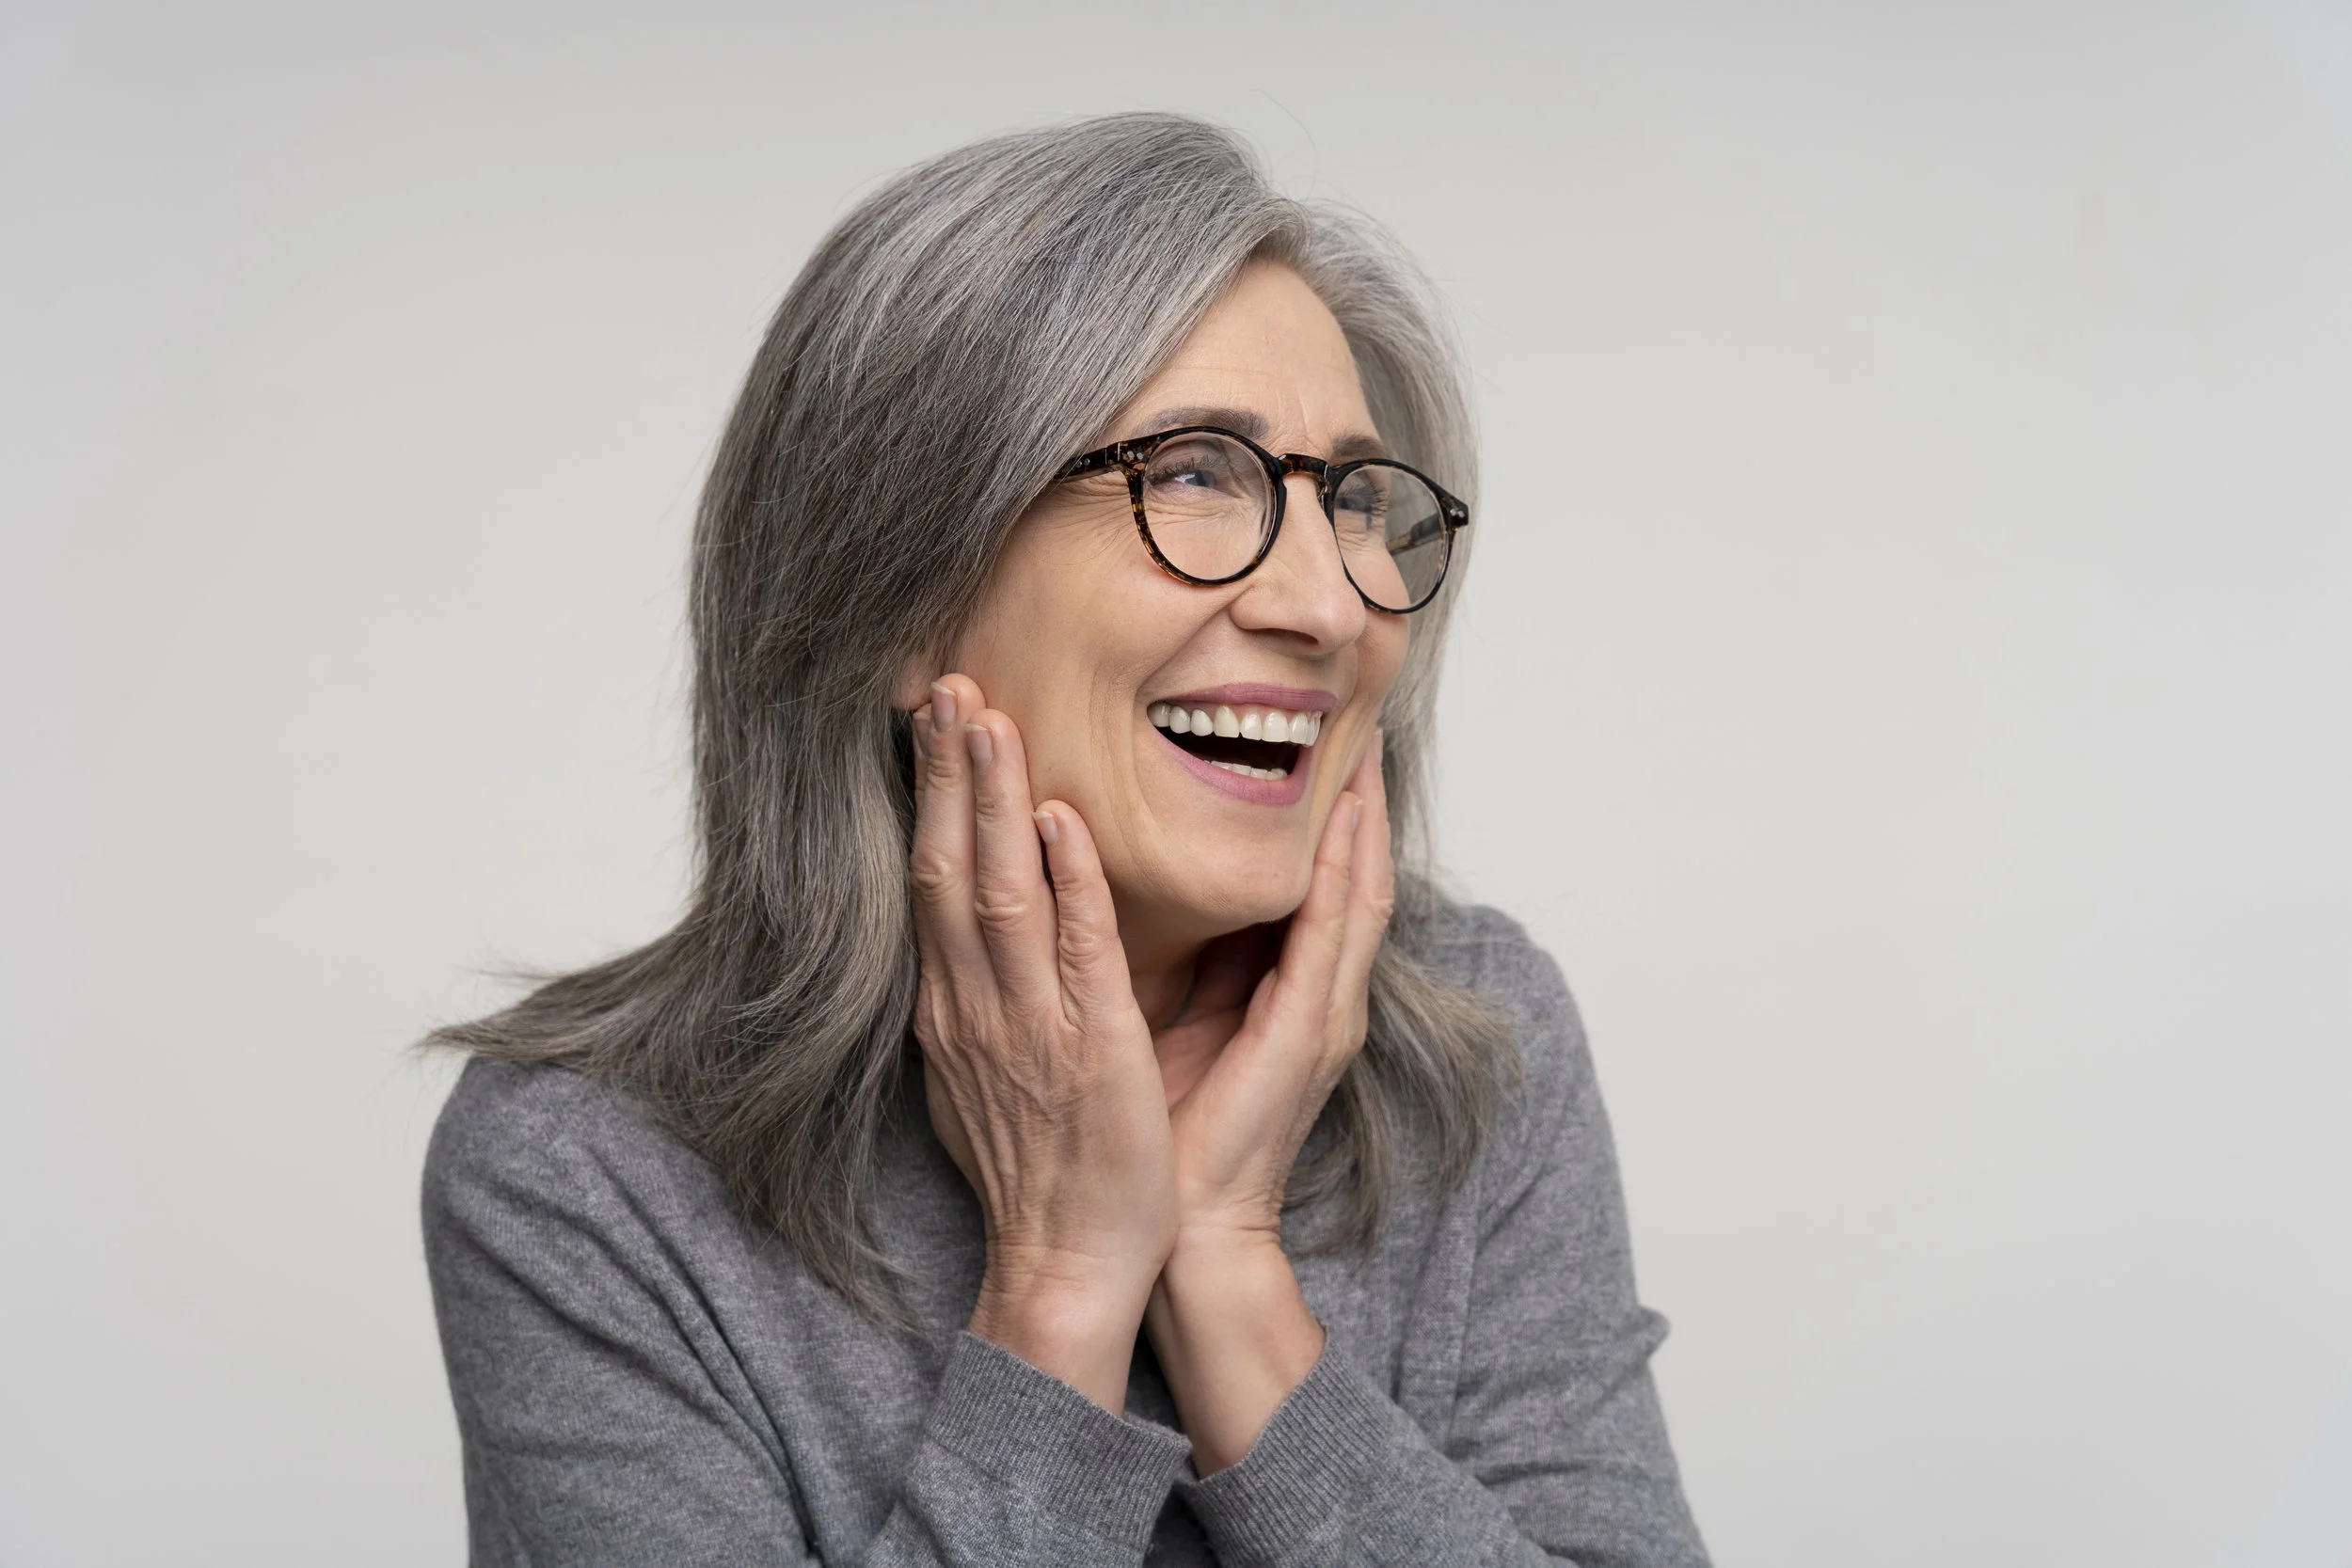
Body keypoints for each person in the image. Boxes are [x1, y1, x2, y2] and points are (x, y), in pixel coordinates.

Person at [421, 112, 1711, 1567]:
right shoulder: (590, 1175)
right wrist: (1058, 1291)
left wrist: (1234, 1287)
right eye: (1199, 474)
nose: (1334, 607)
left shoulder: (1478, 1051)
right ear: (901, 588)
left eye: (1353, 500)